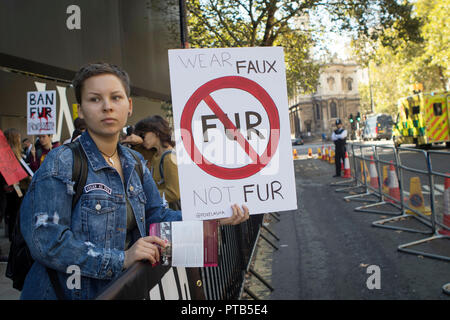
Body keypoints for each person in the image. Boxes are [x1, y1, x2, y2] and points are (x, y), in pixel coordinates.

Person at [19, 62, 249, 300]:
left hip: (120, 291)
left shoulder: (135, 161)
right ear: (80, 110)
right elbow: (45, 241)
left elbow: (157, 216)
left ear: (129, 106)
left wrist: (212, 216)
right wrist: (122, 258)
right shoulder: (62, 162)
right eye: (95, 99)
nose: (107, 106)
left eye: (116, 97)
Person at [123, 116, 180, 210]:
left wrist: (146, 194)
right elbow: (138, 155)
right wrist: (137, 142)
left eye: (143, 135)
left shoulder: (169, 158)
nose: (142, 139)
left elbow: (174, 193)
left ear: (156, 132)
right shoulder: (156, 155)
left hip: (171, 215)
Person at [2, 128, 31, 241]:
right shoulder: (10, 157)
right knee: (15, 218)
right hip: (15, 192)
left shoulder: (15, 156)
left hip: (15, 192)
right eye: (18, 139)